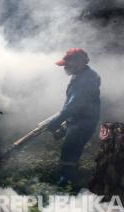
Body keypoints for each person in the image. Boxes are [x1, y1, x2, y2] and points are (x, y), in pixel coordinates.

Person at [48, 48, 101, 186]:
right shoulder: (80, 75)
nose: (65, 67)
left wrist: (57, 121)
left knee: (69, 152)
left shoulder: (86, 80)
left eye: (67, 64)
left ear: (79, 63)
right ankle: (68, 181)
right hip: (78, 120)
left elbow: (74, 105)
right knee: (70, 150)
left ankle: (68, 184)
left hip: (83, 123)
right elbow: (73, 106)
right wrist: (65, 125)